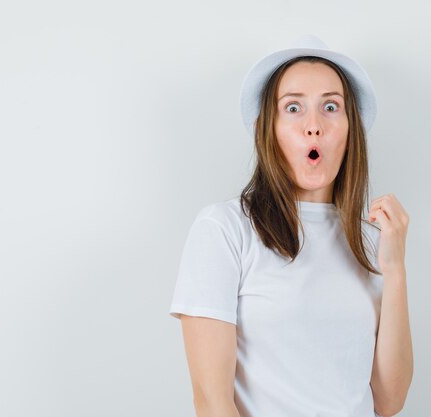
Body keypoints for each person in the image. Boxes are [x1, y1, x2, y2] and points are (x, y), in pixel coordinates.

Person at [168, 34, 413, 417]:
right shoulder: (224, 230)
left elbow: (389, 400)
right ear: (268, 128)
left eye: (331, 106)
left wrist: (395, 268)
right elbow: (212, 401)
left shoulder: (373, 240)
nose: (313, 126)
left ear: (351, 130)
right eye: (294, 108)